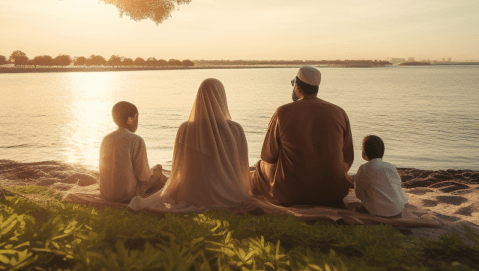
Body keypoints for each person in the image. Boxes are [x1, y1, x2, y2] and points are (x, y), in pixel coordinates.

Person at [128, 79, 254, 213]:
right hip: (229, 192)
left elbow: (178, 170)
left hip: (191, 193)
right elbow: (241, 168)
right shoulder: (235, 129)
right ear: (222, 98)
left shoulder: (185, 129)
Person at [250, 65, 354, 208]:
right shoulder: (339, 112)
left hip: (291, 195)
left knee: (260, 167)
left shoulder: (282, 112)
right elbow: (348, 157)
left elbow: (268, 156)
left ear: (298, 85)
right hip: (333, 194)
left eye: (293, 83)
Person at [99, 101, 166, 203]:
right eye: (136, 118)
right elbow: (143, 176)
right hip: (127, 195)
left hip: (106, 193)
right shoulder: (136, 140)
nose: (137, 122)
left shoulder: (106, 139)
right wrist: (154, 174)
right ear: (130, 119)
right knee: (158, 171)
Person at [352, 135, 408, 218]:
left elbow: (359, 195)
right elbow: (397, 187)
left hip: (377, 212)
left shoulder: (363, 168)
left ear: (364, 153)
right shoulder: (391, 167)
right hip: (397, 211)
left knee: (360, 206)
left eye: (362, 149)